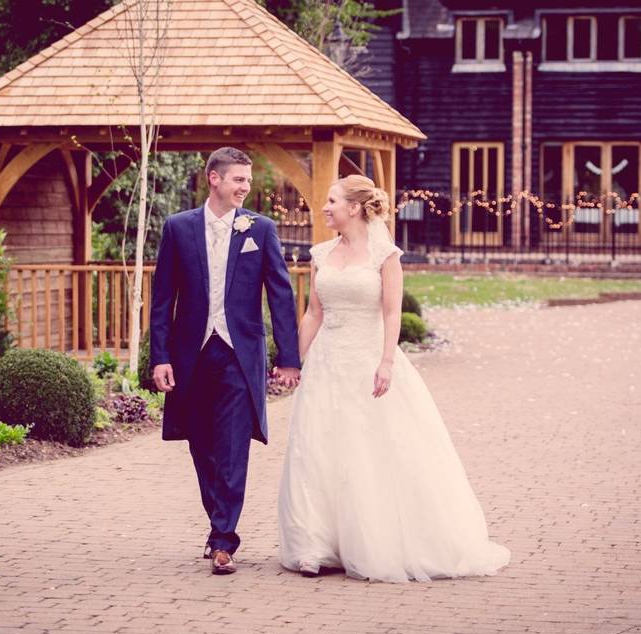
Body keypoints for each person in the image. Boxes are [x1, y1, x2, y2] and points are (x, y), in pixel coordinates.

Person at [277, 175, 510, 582]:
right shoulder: (322, 253)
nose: (325, 208)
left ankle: (371, 542)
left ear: (354, 207)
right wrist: (294, 361)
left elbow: (390, 312)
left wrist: (386, 361)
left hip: (368, 362)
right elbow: (314, 312)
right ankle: (314, 545)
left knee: (368, 451)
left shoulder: (385, 255)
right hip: (327, 365)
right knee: (315, 450)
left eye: (332, 201)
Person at [150, 147, 301, 575]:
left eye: (248, 181)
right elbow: (162, 300)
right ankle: (217, 523)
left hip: (240, 353)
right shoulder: (178, 228)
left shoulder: (261, 228)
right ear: (214, 179)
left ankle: (223, 540)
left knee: (234, 448)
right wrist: (160, 357)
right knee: (201, 446)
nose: (245, 187)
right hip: (192, 352)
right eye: (238, 179)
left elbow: (281, 295)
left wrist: (288, 358)